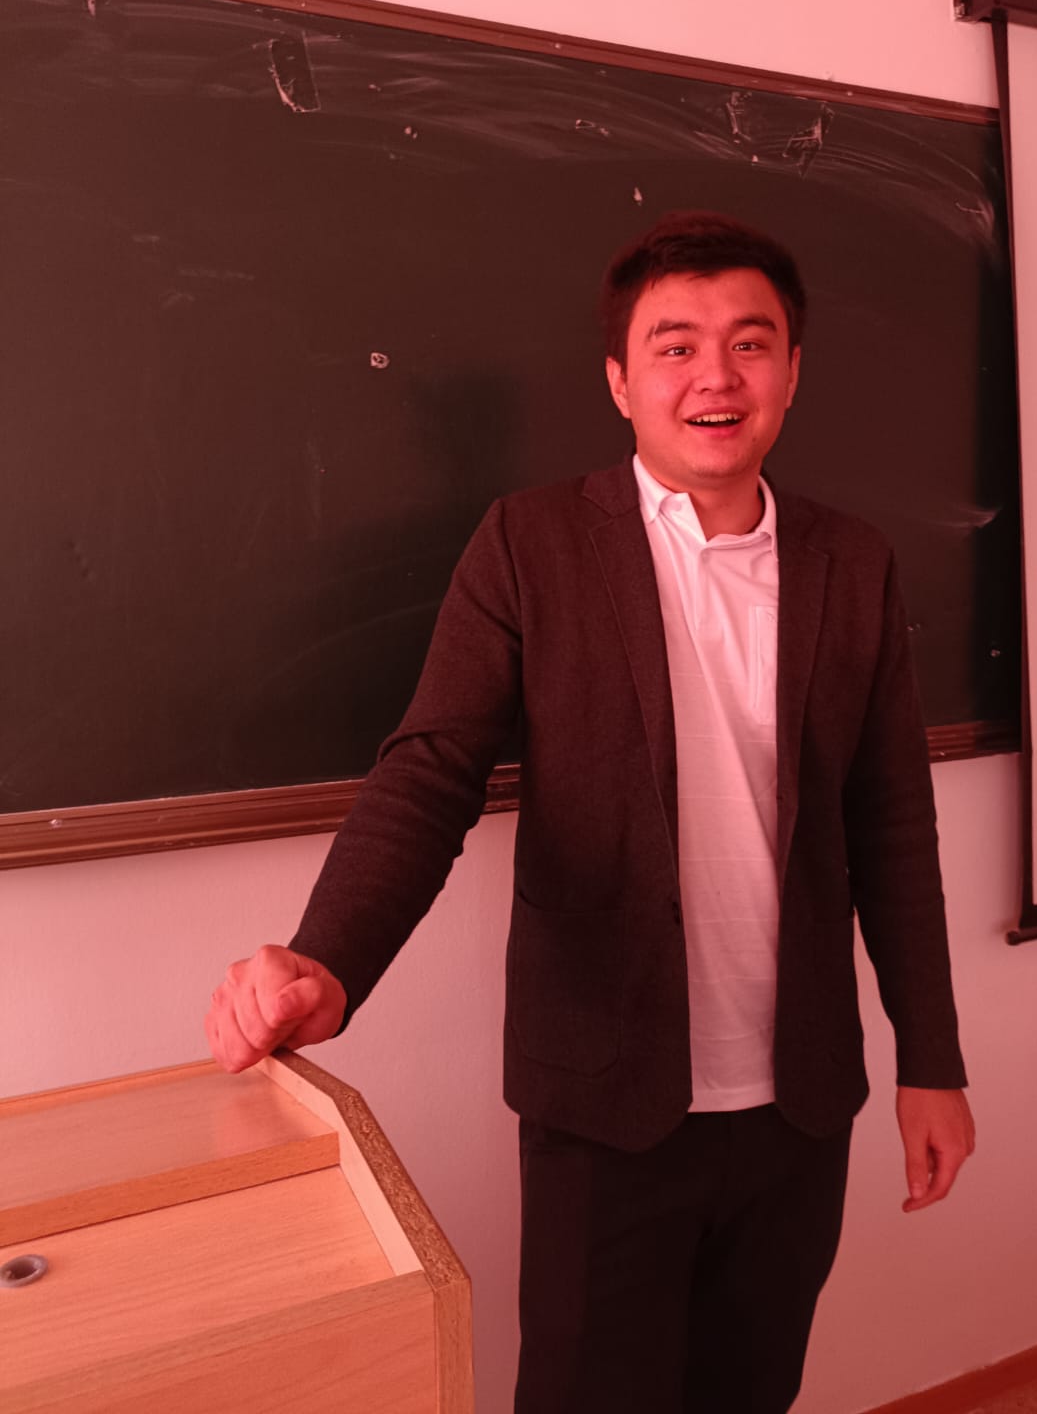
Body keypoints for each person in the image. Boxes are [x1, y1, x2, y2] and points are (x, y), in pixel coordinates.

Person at [206, 210, 974, 1414]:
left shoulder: (852, 563)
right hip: (605, 1097)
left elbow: (890, 824)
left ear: (791, 372)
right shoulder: (532, 543)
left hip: (799, 1099)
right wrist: (328, 958)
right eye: (675, 346)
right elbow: (432, 771)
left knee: (750, 1391)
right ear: (619, 381)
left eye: (750, 343)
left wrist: (930, 1058)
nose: (715, 376)